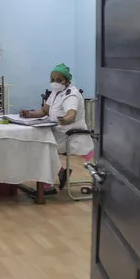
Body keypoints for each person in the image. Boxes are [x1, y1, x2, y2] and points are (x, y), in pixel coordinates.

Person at [20, 63, 94, 194]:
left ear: (67, 80)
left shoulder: (71, 95)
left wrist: (65, 119)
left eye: (59, 80)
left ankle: (47, 186)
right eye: (52, 80)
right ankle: (60, 172)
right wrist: (29, 115)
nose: (55, 82)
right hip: (56, 132)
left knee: (43, 147)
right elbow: (44, 110)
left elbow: (71, 114)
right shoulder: (56, 91)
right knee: (35, 142)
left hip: (70, 136)